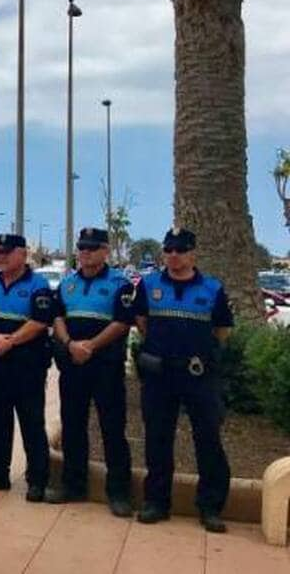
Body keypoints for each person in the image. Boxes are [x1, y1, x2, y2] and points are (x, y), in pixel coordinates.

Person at [132, 227, 233, 533]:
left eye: (180, 250)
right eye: (169, 250)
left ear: (193, 253)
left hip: (198, 374)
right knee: (158, 440)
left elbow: (222, 330)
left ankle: (210, 507)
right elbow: (141, 323)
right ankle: (157, 502)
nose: (173, 256)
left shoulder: (212, 289)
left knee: (208, 440)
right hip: (159, 374)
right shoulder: (148, 286)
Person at [46, 228, 136, 517]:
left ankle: (118, 493)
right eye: (82, 248)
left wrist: (91, 347)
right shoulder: (68, 283)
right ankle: (74, 486)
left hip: (105, 367)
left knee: (112, 429)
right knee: (73, 427)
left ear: (105, 251)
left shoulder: (119, 284)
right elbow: (57, 316)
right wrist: (71, 344)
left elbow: (122, 323)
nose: (85, 253)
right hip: (73, 366)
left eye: (92, 248)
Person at [0, 234, 55, 501]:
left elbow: (41, 321)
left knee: (31, 424)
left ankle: (37, 481)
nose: (2, 256)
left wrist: (11, 341)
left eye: (8, 252)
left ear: (23, 254)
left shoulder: (38, 285)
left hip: (27, 366)